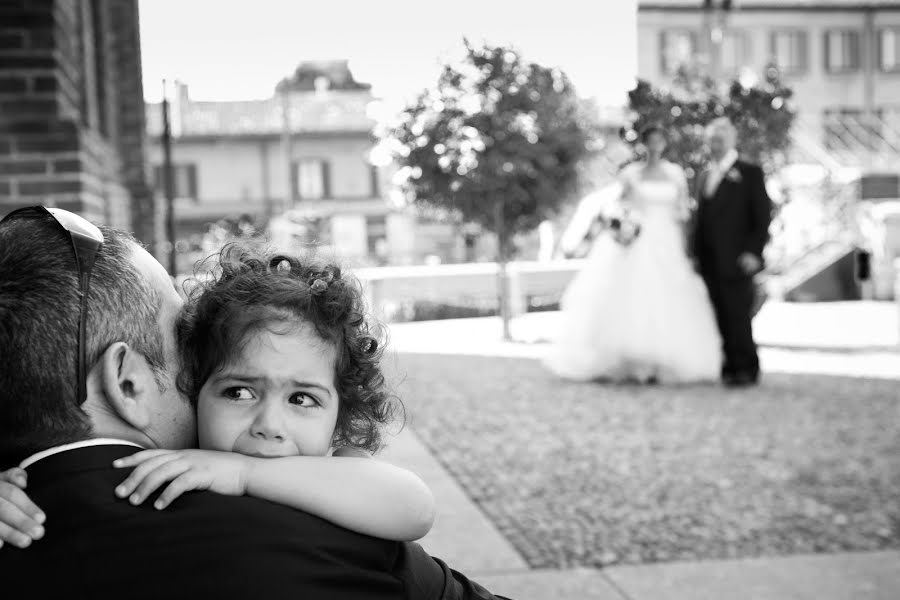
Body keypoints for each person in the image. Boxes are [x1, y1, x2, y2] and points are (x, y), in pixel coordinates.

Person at [0, 206, 508, 599]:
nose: (269, 425)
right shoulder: (328, 548)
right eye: (236, 389)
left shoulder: (336, 492)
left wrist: (246, 476)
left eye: (304, 399)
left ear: (339, 420)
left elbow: (413, 504)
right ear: (128, 384)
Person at [544, 124, 721, 384]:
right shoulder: (631, 174)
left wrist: (686, 247)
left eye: (659, 140)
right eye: (651, 140)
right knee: (633, 294)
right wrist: (623, 227)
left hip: (667, 241)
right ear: (644, 144)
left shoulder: (675, 174)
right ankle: (629, 358)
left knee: (668, 297)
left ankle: (665, 359)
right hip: (638, 239)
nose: (655, 145)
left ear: (664, 144)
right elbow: (619, 206)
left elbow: (682, 212)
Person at [692, 117, 772, 387]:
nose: (714, 145)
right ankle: (729, 365)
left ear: (731, 141)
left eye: (720, 140)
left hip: (738, 259)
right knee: (720, 314)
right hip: (710, 260)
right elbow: (702, 219)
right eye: (711, 140)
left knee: (739, 314)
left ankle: (747, 367)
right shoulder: (705, 175)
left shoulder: (749, 173)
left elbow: (761, 217)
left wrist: (753, 252)